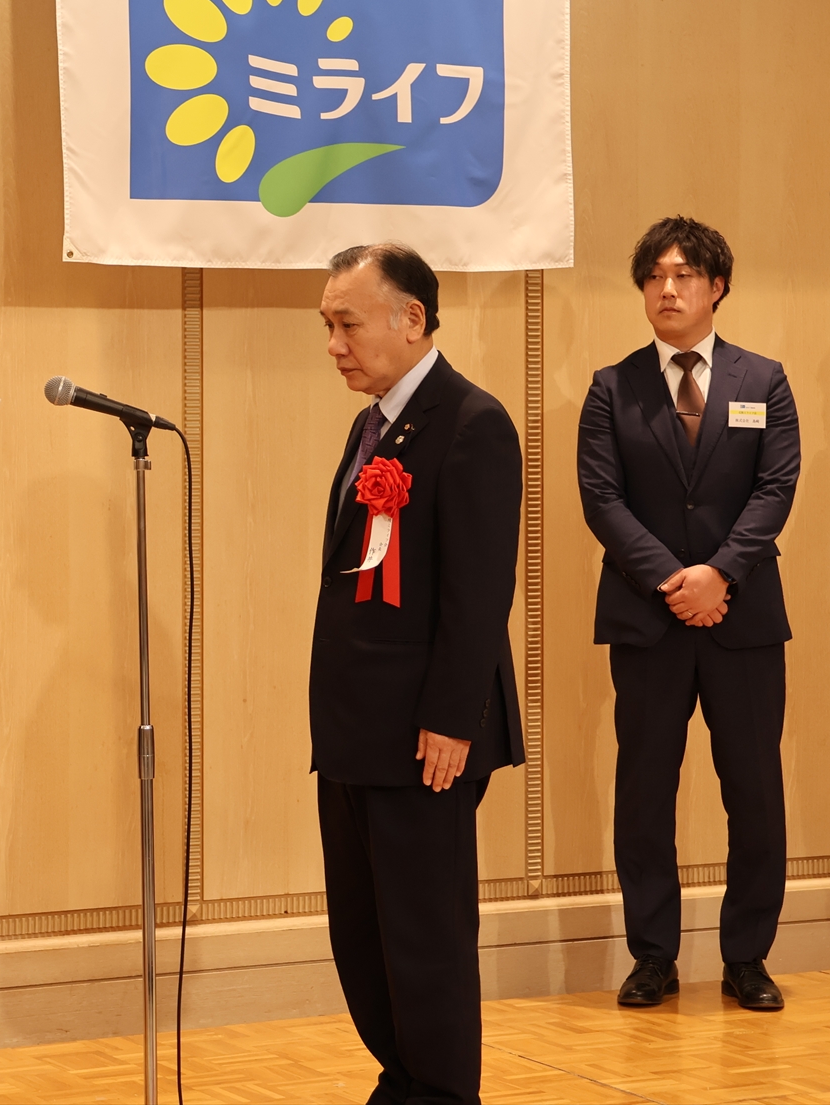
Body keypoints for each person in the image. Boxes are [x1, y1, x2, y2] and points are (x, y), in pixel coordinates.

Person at [310, 244, 524, 1105]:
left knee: (424, 938)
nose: (335, 343)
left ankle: (440, 1089)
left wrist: (452, 717)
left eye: (348, 323)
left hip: (423, 739)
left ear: (412, 319)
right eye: (328, 325)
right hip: (356, 733)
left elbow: (479, 592)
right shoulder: (372, 425)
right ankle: (402, 1078)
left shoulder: (472, 422)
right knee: (364, 936)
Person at [577, 216, 801, 1013]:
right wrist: (675, 580)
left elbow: (775, 487)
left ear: (717, 286)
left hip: (744, 619)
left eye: (683, 275)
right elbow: (601, 497)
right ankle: (653, 954)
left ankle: (748, 956)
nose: (666, 289)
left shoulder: (763, 379)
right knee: (645, 791)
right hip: (648, 619)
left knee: (754, 790)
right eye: (654, 277)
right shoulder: (612, 386)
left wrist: (720, 574)